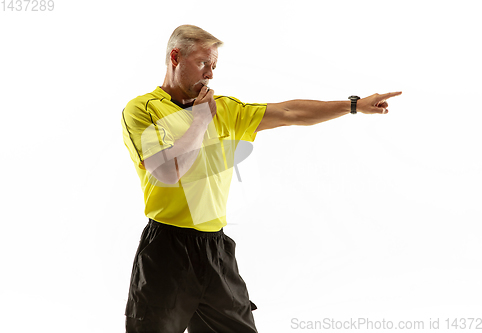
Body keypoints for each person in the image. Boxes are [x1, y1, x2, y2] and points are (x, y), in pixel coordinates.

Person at [121, 24, 402, 333]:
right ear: (175, 57)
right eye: (203, 63)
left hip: (215, 249)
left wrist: (353, 106)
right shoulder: (141, 110)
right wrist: (200, 120)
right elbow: (167, 171)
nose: (210, 74)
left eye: (214, 66)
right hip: (166, 249)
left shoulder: (225, 109)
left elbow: (290, 112)